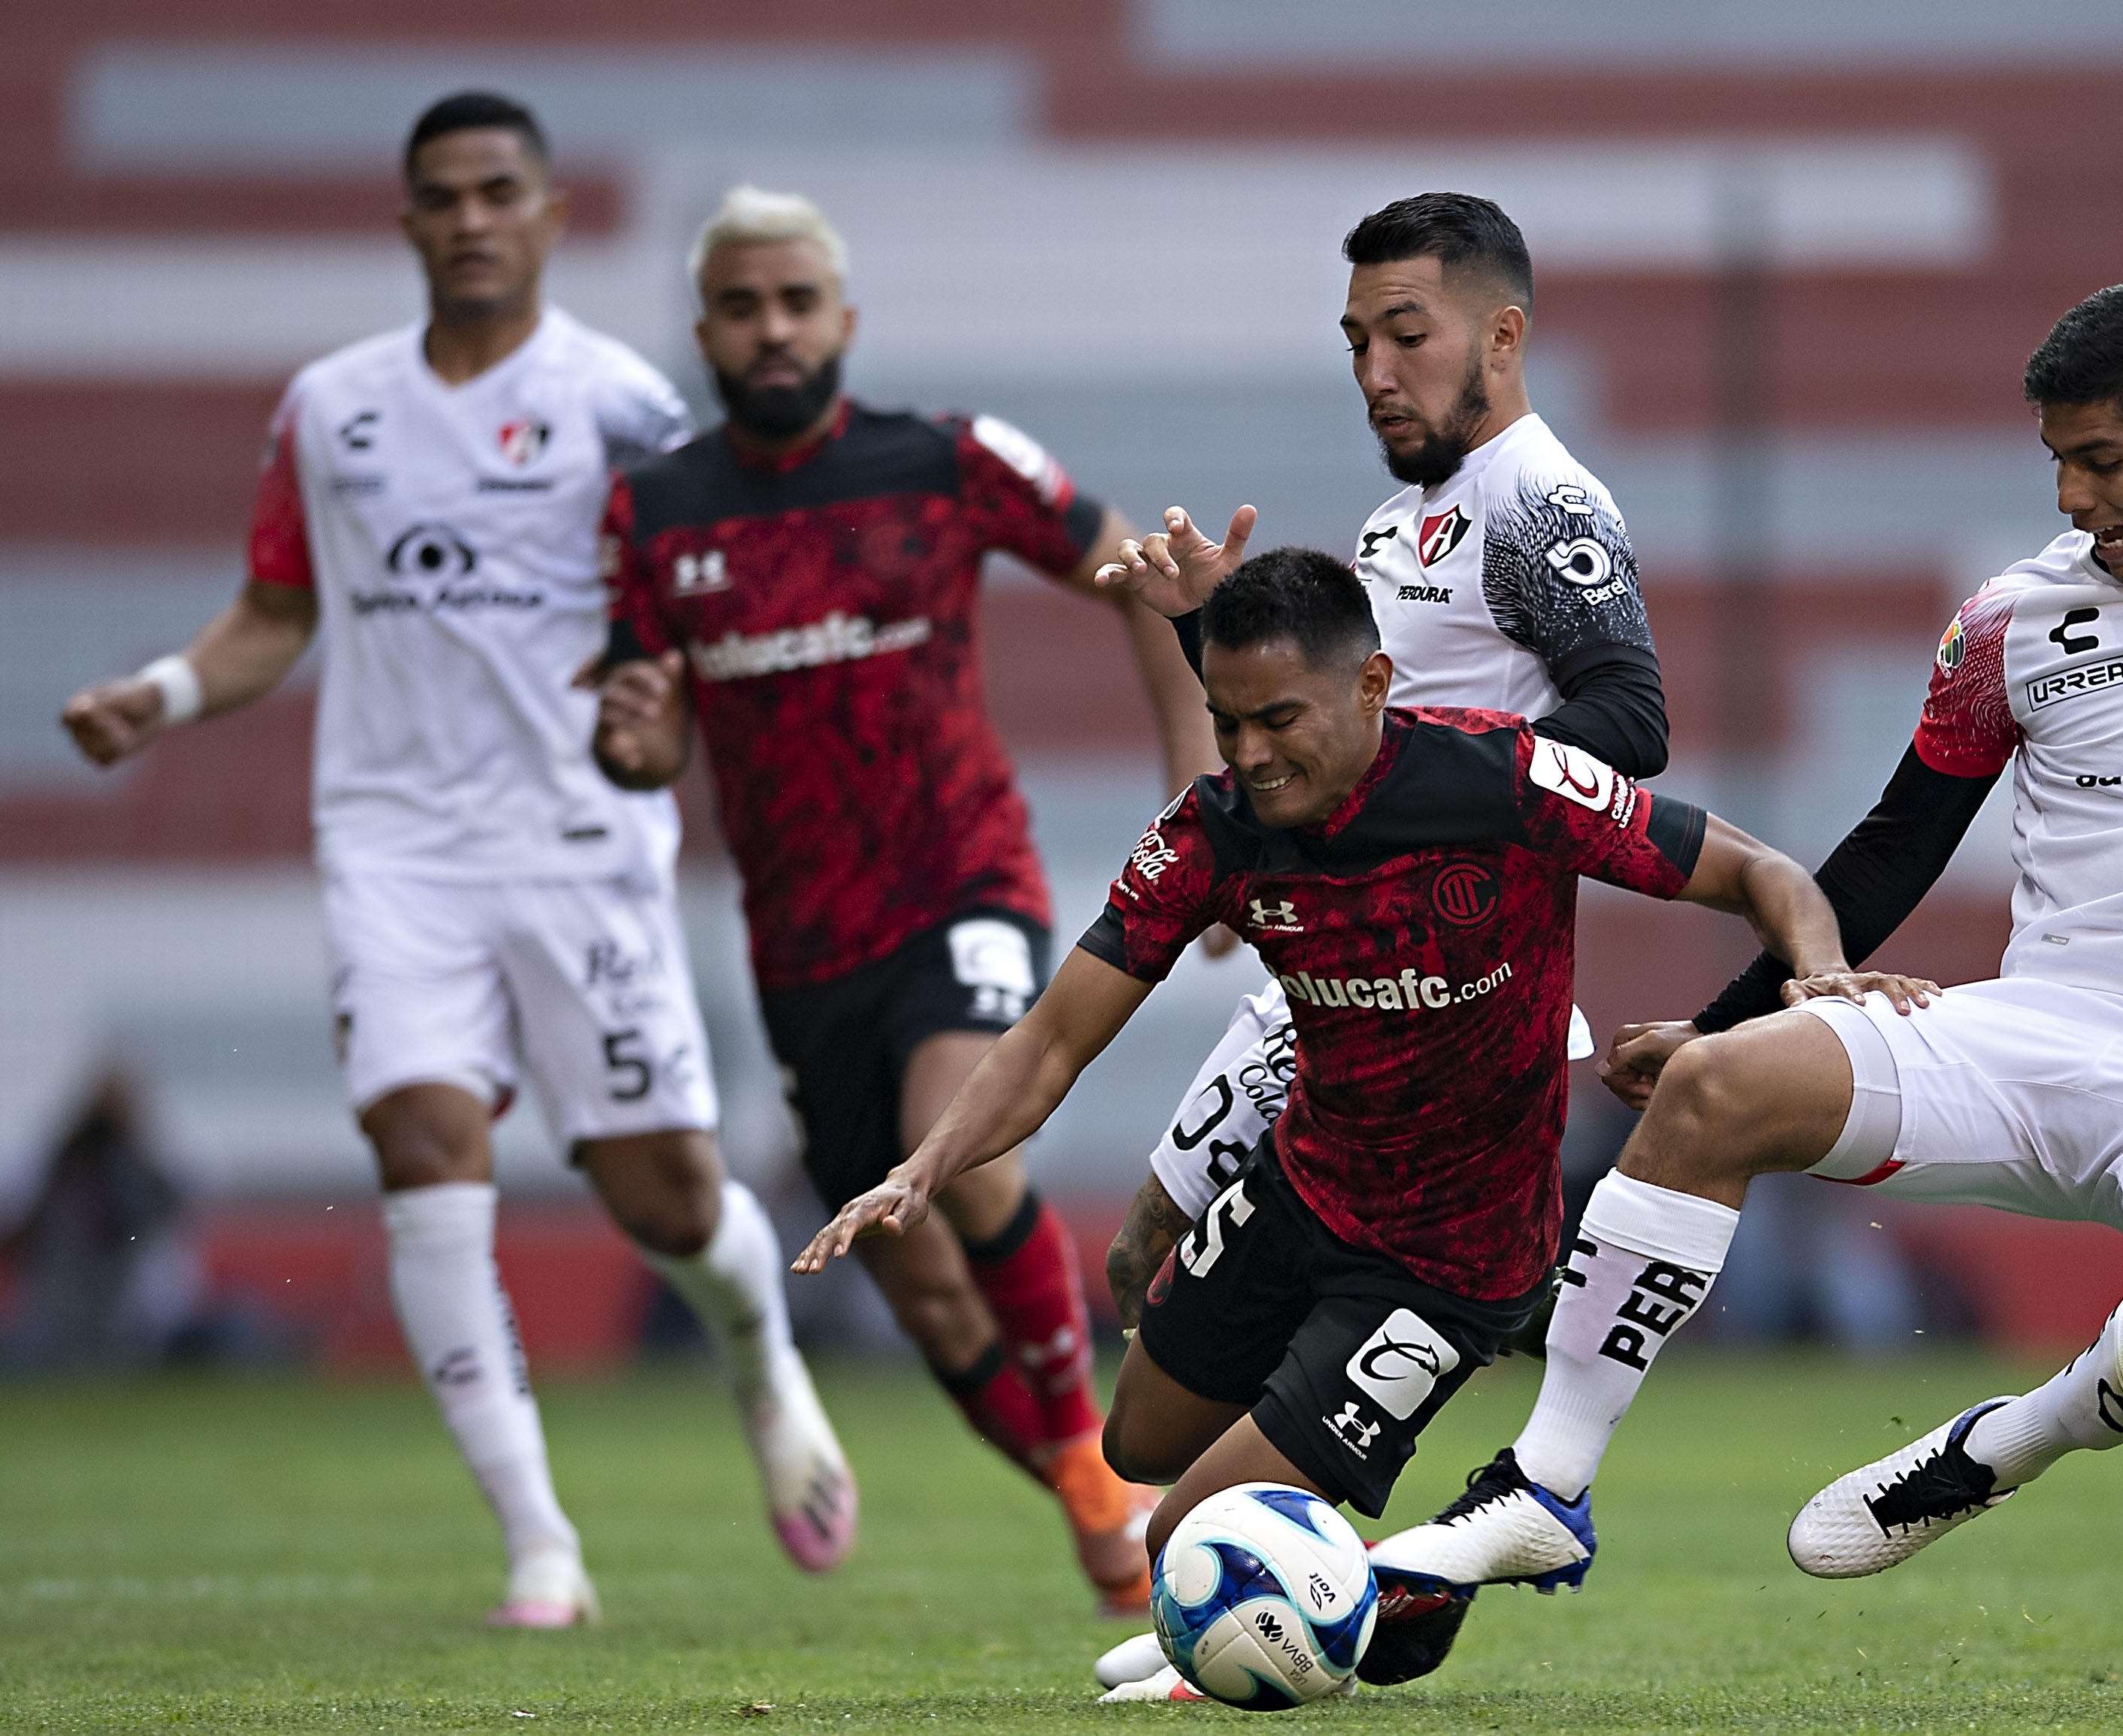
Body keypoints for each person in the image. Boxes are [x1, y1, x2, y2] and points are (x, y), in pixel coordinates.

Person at [1369, 280, 2123, 1621]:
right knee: (1717, 1095)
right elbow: (1895, 845)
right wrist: (1719, 1023)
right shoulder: (2009, 622)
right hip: (2042, 1029)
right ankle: (1540, 1488)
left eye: (2101, 459)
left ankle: (2005, 1444)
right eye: (2055, 459)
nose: (2070, 495)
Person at [788, 548, 1924, 1700]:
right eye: (1227, 722)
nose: (1249, 753)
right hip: (1302, 1187)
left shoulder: (1506, 781)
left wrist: (1820, 970)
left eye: (1278, 718)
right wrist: (924, 1166)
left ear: (1375, 684)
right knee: (1131, 1444)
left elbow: (1764, 872)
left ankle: (1284, 1601)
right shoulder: (1216, 830)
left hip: (1452, 1257)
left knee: (1182, 1537)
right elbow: (1048, 1039)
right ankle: (1346, 1567)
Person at [58, 95, 851, 1627]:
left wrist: (665, 701)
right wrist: (156, 695)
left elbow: (700, 603)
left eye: (501, 192)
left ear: (550, 216)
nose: (473, 218)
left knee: (668, 1198)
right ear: (409, 220)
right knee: (425, 1151)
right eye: (443, 196)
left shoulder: (620, 404)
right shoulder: (328, 410)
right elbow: (276, 612)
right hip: (394, 847)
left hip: (577, 847)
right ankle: (538, 1542)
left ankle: (762, 1363)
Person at [589, 187, 1218, 1615]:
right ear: (707, 330)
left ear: (842, 319)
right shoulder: (656, 510)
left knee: (969, 1141)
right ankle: (1088, 1486)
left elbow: (1146, 579)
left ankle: (1114, 1472)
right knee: (924, 1287)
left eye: (795, 301)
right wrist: (631, 737)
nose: (771, 329)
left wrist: (1202, 801)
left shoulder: (939, 460)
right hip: (802, 955)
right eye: (742, 307)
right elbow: (644, 727)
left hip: (961, 885)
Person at [1090, 192, 1670, 1329]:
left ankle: (1272, 1496)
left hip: (1443, 978)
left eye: (1409, 335)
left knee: (1237, 1287)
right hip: (1334, 952)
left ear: (1502, 338)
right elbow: (1342, 741)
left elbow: (1633, 719)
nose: (1375, 371)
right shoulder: (1394, 526)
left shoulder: (1541, 506)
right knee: (1147, 1268)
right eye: (1359, 342)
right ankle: (1228, 1508)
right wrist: (1201, 627)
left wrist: (1446, 793)